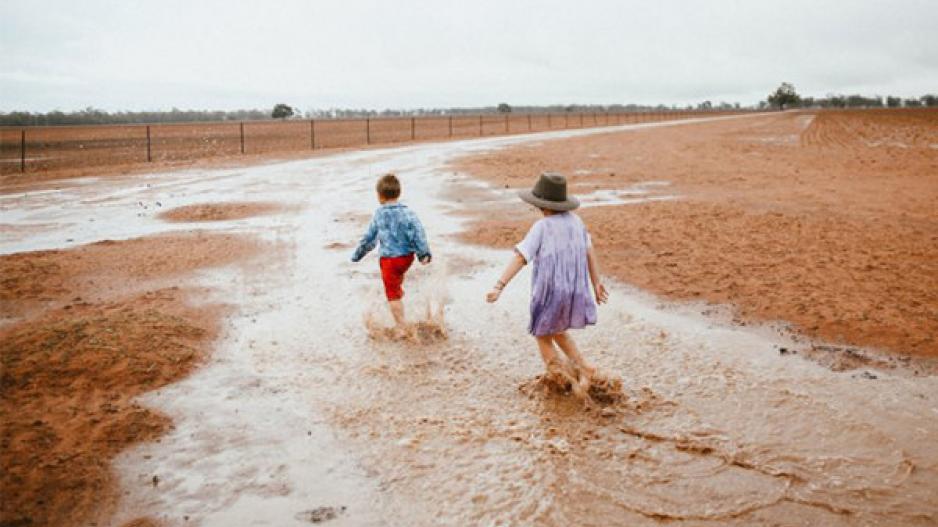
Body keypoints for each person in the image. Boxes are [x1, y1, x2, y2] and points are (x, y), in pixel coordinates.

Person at [486, 172, 608, 393]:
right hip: (574, 290)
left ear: (541, 205)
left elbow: (521, 257)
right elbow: (589, 252)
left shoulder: (541, 227)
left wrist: (499, 285)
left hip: (550, 292)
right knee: (559, 331)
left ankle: (561, 380)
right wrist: (596, 283)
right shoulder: (577, 222)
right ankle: (585, 368)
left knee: (542, 335)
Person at [351, 173, 432, 330]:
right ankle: (400, 300)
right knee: (396, 282)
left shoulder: (379, 214)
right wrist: (423, 254)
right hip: (407, 258)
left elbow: (369, 239)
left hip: (389, 260)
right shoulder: (409, 212)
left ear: (380, 196)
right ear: (398, 193)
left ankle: (402, 327)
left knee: (392, 294)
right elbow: (418, 232)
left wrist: (357, 255)